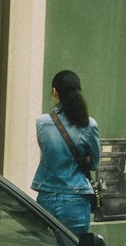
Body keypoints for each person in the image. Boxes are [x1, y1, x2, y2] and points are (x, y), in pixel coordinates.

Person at [31, 68, 101, 235]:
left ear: (54, 91)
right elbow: (94, 164)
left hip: (46, 195)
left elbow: (47, 152)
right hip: (75, 199)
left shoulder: (41, 122)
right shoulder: (88, 124)